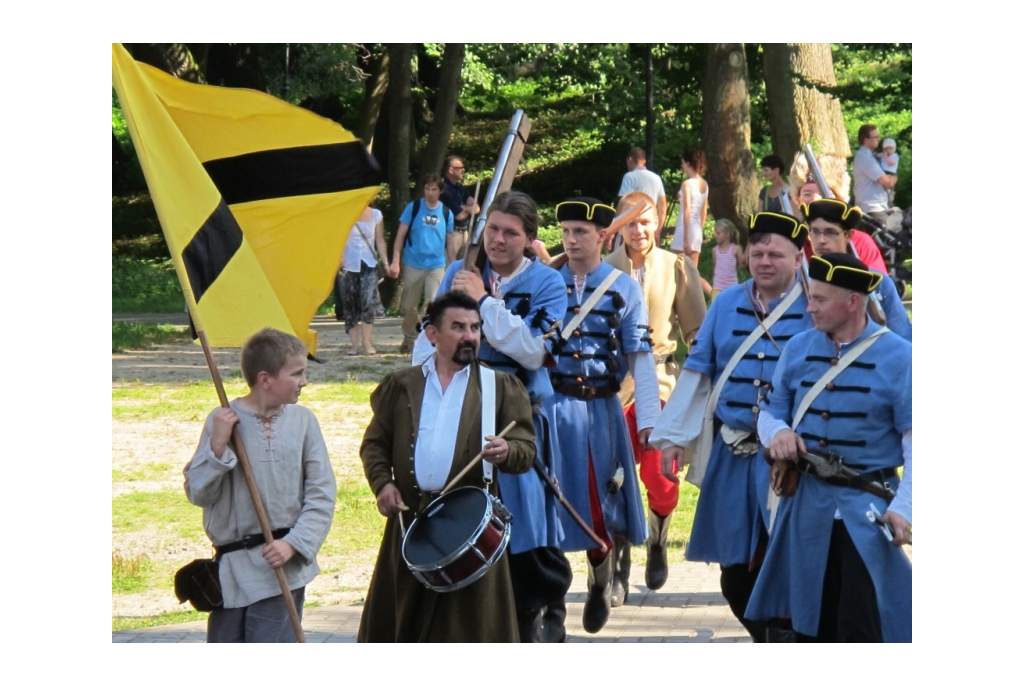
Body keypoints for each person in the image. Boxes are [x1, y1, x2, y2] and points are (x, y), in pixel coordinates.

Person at [411, 191, 572, 642]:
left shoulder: (547, 284)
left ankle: (535, 613)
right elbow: (429, 340)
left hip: (516, 419)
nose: (498, 240)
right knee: (462, 522)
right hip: (460, 414)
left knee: (522, 526)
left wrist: (483, 303)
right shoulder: (456, 274)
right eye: (493, 229)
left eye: (511, 233)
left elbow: (536, 351)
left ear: (529, 239)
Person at [650, 212, 814, 642]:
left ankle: (787, 637)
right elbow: (699, 371)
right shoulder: (725, 303)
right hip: (732, 452)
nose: (764, 261)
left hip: (788, 460)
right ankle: (764, 635)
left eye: (775, 253)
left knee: (785, 557)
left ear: (798, 257)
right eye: (756, 252)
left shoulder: (816, 304)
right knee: (734, 570)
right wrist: (673, 440)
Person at [746, 251, 912, 642]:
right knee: (806, 627)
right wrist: (779, 434)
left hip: (868, 510)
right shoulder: (800, 347)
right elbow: (769, 412)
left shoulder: (901, 357)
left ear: (853, 302)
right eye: (810, 296)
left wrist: (903, 509)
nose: (810, 307)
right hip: (805, 507)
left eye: (820, 299)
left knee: (864, 627)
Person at [358, 292, 537, 642]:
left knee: (470, 634)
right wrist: (383, 484)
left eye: (475, 327)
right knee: (403, 631)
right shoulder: (402, 386)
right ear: (433, 335)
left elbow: (525, 450)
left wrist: (507, 450)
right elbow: (375, 444)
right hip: (410, 526)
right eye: (458, 327)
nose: (470, 335)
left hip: (469, 531)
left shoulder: (499, 387)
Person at [545, 196, 661, 634]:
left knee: (599, 506)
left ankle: (598, 579)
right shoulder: (545, 281)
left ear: (601, 236)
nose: (572, 240)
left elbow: (640, 354)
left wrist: (649, 418)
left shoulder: (624, 286)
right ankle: (553, 605)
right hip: (552, 411)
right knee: (548, 508)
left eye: (581, 232)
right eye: (567, 232)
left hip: (601, 410)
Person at [184, 328, 337, 643]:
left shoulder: (304, 421)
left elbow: (322, 495)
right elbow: (198, 493)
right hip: (232, 573)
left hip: (281, 565)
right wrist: (217, 448)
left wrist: (293, 544)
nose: (304, 381)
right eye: (297, 374)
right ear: (265, 379)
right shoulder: (223, 420)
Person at [604, 191, 706, 601]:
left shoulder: (675, 266)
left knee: (660, 476)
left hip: (662, 384)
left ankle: (659, 537)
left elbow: (698, 334)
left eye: (645, 221)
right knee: (614, 477)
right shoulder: (603, 269)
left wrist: (696, 389)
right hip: (614, 388)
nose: (638, 229)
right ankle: (618, 560)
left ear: (657, 223)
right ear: (618, 226)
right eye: (630, 222)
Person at [802, 198, 912, 342]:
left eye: (830, 232)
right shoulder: (800, 281)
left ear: (848, 236)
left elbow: (902, 339)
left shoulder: (877, 282)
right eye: (815, 232)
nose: (821, 240)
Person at [788, 152, 887, 275]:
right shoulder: (791, 245)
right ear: (798, 200)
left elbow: (880, 288)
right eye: (807, 194)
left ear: (839, 198)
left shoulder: (860, 242)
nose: (815, 199)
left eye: (823, 192)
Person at [389, 174, 455, 353]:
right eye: (427, 188)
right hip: (413, 263)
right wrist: (396, 261)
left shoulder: (446, 213)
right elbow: (400, 235)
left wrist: (453, 266)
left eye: (434, 189)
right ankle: (409, 338)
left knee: (433, 303)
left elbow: (450, 242)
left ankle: (429, 342)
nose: (430, 193)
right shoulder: (414, 208)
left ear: (440, 191)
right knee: (409, 305)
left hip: (436, 264)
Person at [338, 204, 388, 355]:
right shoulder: (345, 213)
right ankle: (354, 345)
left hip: (369, 263)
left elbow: (380, 240)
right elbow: (338, 238)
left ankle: (366, 342)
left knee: (368, 302)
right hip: (349, 264)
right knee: (350, 303)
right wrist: (339, 259)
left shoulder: (376, 215)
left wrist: (385, 262)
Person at [618, 147, 668, 239]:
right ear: (644, 161)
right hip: (650, 224)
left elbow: (622, 205)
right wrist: (658, 231)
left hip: (632, 227)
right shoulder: (656, 178)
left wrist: (615, 228)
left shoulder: (629, 177)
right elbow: (663, 207)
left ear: (629, 160)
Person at [670, 148, 709, 266]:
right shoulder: (704, 184)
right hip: (696, 229)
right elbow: (703, 212)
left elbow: (687, 210)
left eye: (682, 163)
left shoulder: (687, 184)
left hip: (684, 229)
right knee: (693, 272)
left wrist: (686, 238)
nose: (682, 166)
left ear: (688, 163)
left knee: (675, 267)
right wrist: (699, 230)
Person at [852, 124, 897, 225]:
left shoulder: (871, 156)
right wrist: (894, 178)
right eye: (875, 137)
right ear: (866, 139)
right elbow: (888, 183)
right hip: (872, 210)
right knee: (892, 237)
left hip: (878, 207)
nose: (879, 139)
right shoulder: (865, 158)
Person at [440, 155, 479, 264]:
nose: (463, 170)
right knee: (449, 267)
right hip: (452, 234)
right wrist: (469, 209)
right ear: (451, 170)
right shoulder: (444, 190)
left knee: (464, 266)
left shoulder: (462, 188)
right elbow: (459, 215)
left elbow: (477, 208)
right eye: (460, 168)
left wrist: (464, 208)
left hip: (466, 233)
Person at [709, 218, 746, 299]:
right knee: (717, 307)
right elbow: (715, 268)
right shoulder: (715, 250)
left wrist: (743, 259)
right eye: (715, 232)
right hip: (717, 286)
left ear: (727, 234)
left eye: (718, 233)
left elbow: (742, 265)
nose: (715, 235)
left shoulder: (735, 249)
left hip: (731, 286)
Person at [878, 138, 899, 207]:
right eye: (886, 149)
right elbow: (877, 155)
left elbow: (891, 163)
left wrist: (885, 156)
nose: (888, 151)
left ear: (894, 148)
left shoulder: (895, 156)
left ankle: (890, 203)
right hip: (883, 173)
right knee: (882, 191)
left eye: (890, 149)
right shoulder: (883, 155)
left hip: (890, 174)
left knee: (889, 191)